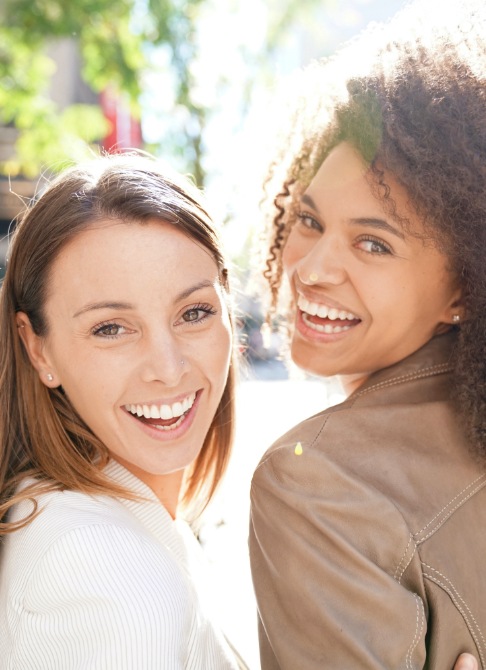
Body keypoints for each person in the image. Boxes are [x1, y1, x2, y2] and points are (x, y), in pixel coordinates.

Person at [249, 1, 486, 668]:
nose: (313, 268)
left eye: (374, 244)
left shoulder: (317, 481)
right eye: (309, 219)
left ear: (464, 288)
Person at [0, 153, 246, 668]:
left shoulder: (105, 520)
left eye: (194, 312)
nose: (169, 367)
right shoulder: (106, 576)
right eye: (111, 327)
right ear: (37, 348)